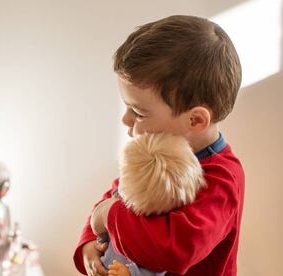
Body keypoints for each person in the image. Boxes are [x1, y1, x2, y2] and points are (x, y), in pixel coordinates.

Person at [73, 15, 244, 276]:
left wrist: (109, 216)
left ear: (195, 120)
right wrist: (90, 241)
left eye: (138, 112)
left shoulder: (221, 179)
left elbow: (174, 249)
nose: (125, 120)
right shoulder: (153, 153)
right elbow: (119, 194)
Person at [91, 132, 207, 276]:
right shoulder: (125, 189)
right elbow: (100, 218)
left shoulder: (159, 229)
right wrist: (97, 241)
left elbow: (156, 269)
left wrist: (130, 273)